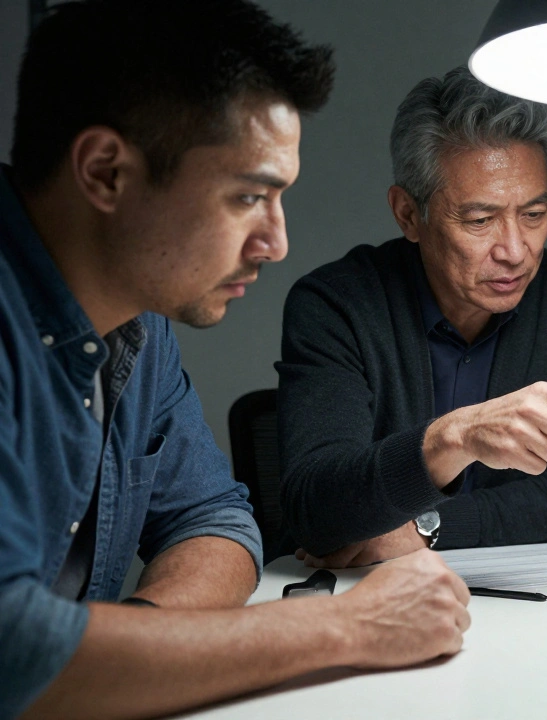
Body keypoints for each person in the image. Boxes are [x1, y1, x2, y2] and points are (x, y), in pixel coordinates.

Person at [0, 2, 472, 718]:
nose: (277, 242)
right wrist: (341, 626)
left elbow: (214, 518)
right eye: (249, 196)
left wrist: (138, 660)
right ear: (104, 172)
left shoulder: (139, 325)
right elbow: (10, 650)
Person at [277, 67, 547, 566]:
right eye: (480, 220)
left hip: (518, 596)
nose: (514, 251)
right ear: (407, 214)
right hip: (355, 601)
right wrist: (454, 438)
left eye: (533, 214)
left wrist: (427, 527)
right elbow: (319, 510)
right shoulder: (336, 304)